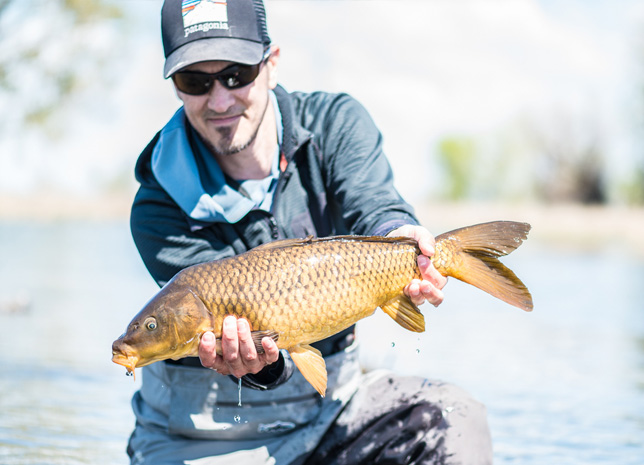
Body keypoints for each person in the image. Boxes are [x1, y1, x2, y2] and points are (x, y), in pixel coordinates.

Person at [126, 1, 493, 463]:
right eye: (195, 81)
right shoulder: (156, 205)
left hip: (331, 414)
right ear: (175, 85)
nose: (220, 100)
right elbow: (245, 352)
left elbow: (375, 206)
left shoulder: (335, 124)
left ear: (271, 64)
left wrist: (403, 236)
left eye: (236, 74)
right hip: (200, 439)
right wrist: (265, 363)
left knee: (454, 417)